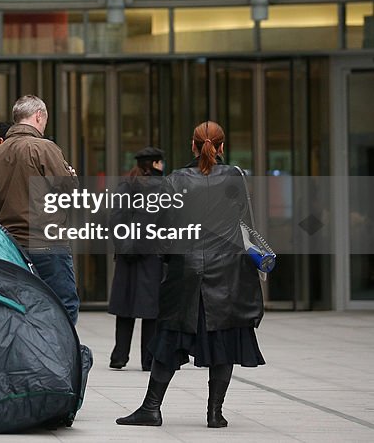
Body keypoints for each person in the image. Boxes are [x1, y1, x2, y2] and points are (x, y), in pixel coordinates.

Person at [117, 121, 265, 429]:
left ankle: (151, 408)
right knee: (223, 339)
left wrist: (167, 258)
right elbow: (246, 224)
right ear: (221, 147)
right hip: (227, 273)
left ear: (192, 146)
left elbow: (165, 228)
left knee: (170, 338)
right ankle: (215, 412)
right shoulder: (235, 177)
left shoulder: (175, 180)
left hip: (187, 271)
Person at [0, 95, 80, 324]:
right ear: (38, 116)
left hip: (10, 247)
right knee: (63, 305)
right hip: (47, 242)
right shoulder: (44, 148)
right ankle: (58, 356)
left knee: (18, 307)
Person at [108, 146, 165, 371]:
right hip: (151, 255)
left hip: (127, 254)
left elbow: (115, 218)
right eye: (161, 162)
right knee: (151, 311)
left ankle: (119, 356)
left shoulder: (127, 184)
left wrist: (124, 245)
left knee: (125, 307)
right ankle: (148, 359)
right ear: (154, 164)